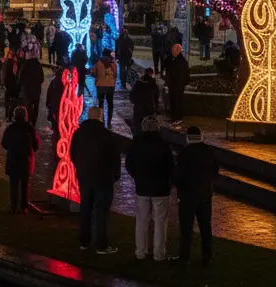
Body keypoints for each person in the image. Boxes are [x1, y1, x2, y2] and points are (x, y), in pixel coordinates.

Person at [69, 106, 120, 254]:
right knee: (101, 211)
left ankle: (84, 241)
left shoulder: (79, 133)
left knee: (86, 208)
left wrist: (80, 168)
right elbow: (114, 157)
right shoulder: (106, 135)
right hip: (103, 178)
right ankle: (101, 244)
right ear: (100, 117)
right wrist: (115, 174)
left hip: (85, 177)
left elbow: (73, 154)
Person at [124, 116, 174, 261]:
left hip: (142, 188)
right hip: (161, 189)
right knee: (160, 222)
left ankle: (141, 251)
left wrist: (137, 176)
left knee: (141, 221)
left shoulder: (136, 143)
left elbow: (129, 164)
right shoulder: (164, 145)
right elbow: (170, 167)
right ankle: (159, 254)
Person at [174, 126, 219, 264]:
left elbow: (177, 176)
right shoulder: (210, 152)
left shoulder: (184, 153)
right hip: (205, 195)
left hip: (188, 196)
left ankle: (184, 256)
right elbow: (215, 171)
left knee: (186, 228)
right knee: (205, 226)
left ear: (188, 138)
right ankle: (207, 255)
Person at [0, 105, 40, 213]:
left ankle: (13, 206)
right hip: (25, 159)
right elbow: (36, 144)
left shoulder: (11, 128)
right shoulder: (29, 128)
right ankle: (24, 207)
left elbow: (4, 143)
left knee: (13, 183)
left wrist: (12, 148)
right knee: (25, 184)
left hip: (13, 158)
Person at [129, 68, 160, 134]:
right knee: (150, 127)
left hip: (138, 109)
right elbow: (157, 98)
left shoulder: (137, 84)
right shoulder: (154, 85)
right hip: (150, 109)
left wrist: (136, 102)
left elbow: (131, 97)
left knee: (137, 127)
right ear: (152, 74)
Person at [92, 50, 118, 127]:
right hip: (110, 86)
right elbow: (115, 75)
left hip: (100, 86)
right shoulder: (113, 64)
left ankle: (102, 120)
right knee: (110, 104)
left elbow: (93, 73)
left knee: (101, 103)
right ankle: (109, 122)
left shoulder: (98, 63)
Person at [166, 43, 190, 123]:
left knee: (177, 101)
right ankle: (174, 117)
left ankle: (177, 117)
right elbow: (166, 64)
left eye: (173, 50)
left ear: (178, 51)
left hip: (178, 84)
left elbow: (186, 73)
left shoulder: (182, 61)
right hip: (173, 84)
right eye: (172, 50)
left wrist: (185, 83)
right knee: (173, 100)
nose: (172, 52)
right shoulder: (171, 58)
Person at [19, 50, 44, 126]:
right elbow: (42, 78)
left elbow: (20, 77)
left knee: (28, 105)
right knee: (36, 105)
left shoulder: (25, 64)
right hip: (36, 90)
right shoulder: (38, 65)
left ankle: (28, 119)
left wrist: (21, 85)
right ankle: (34, 121)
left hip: (27, 90)